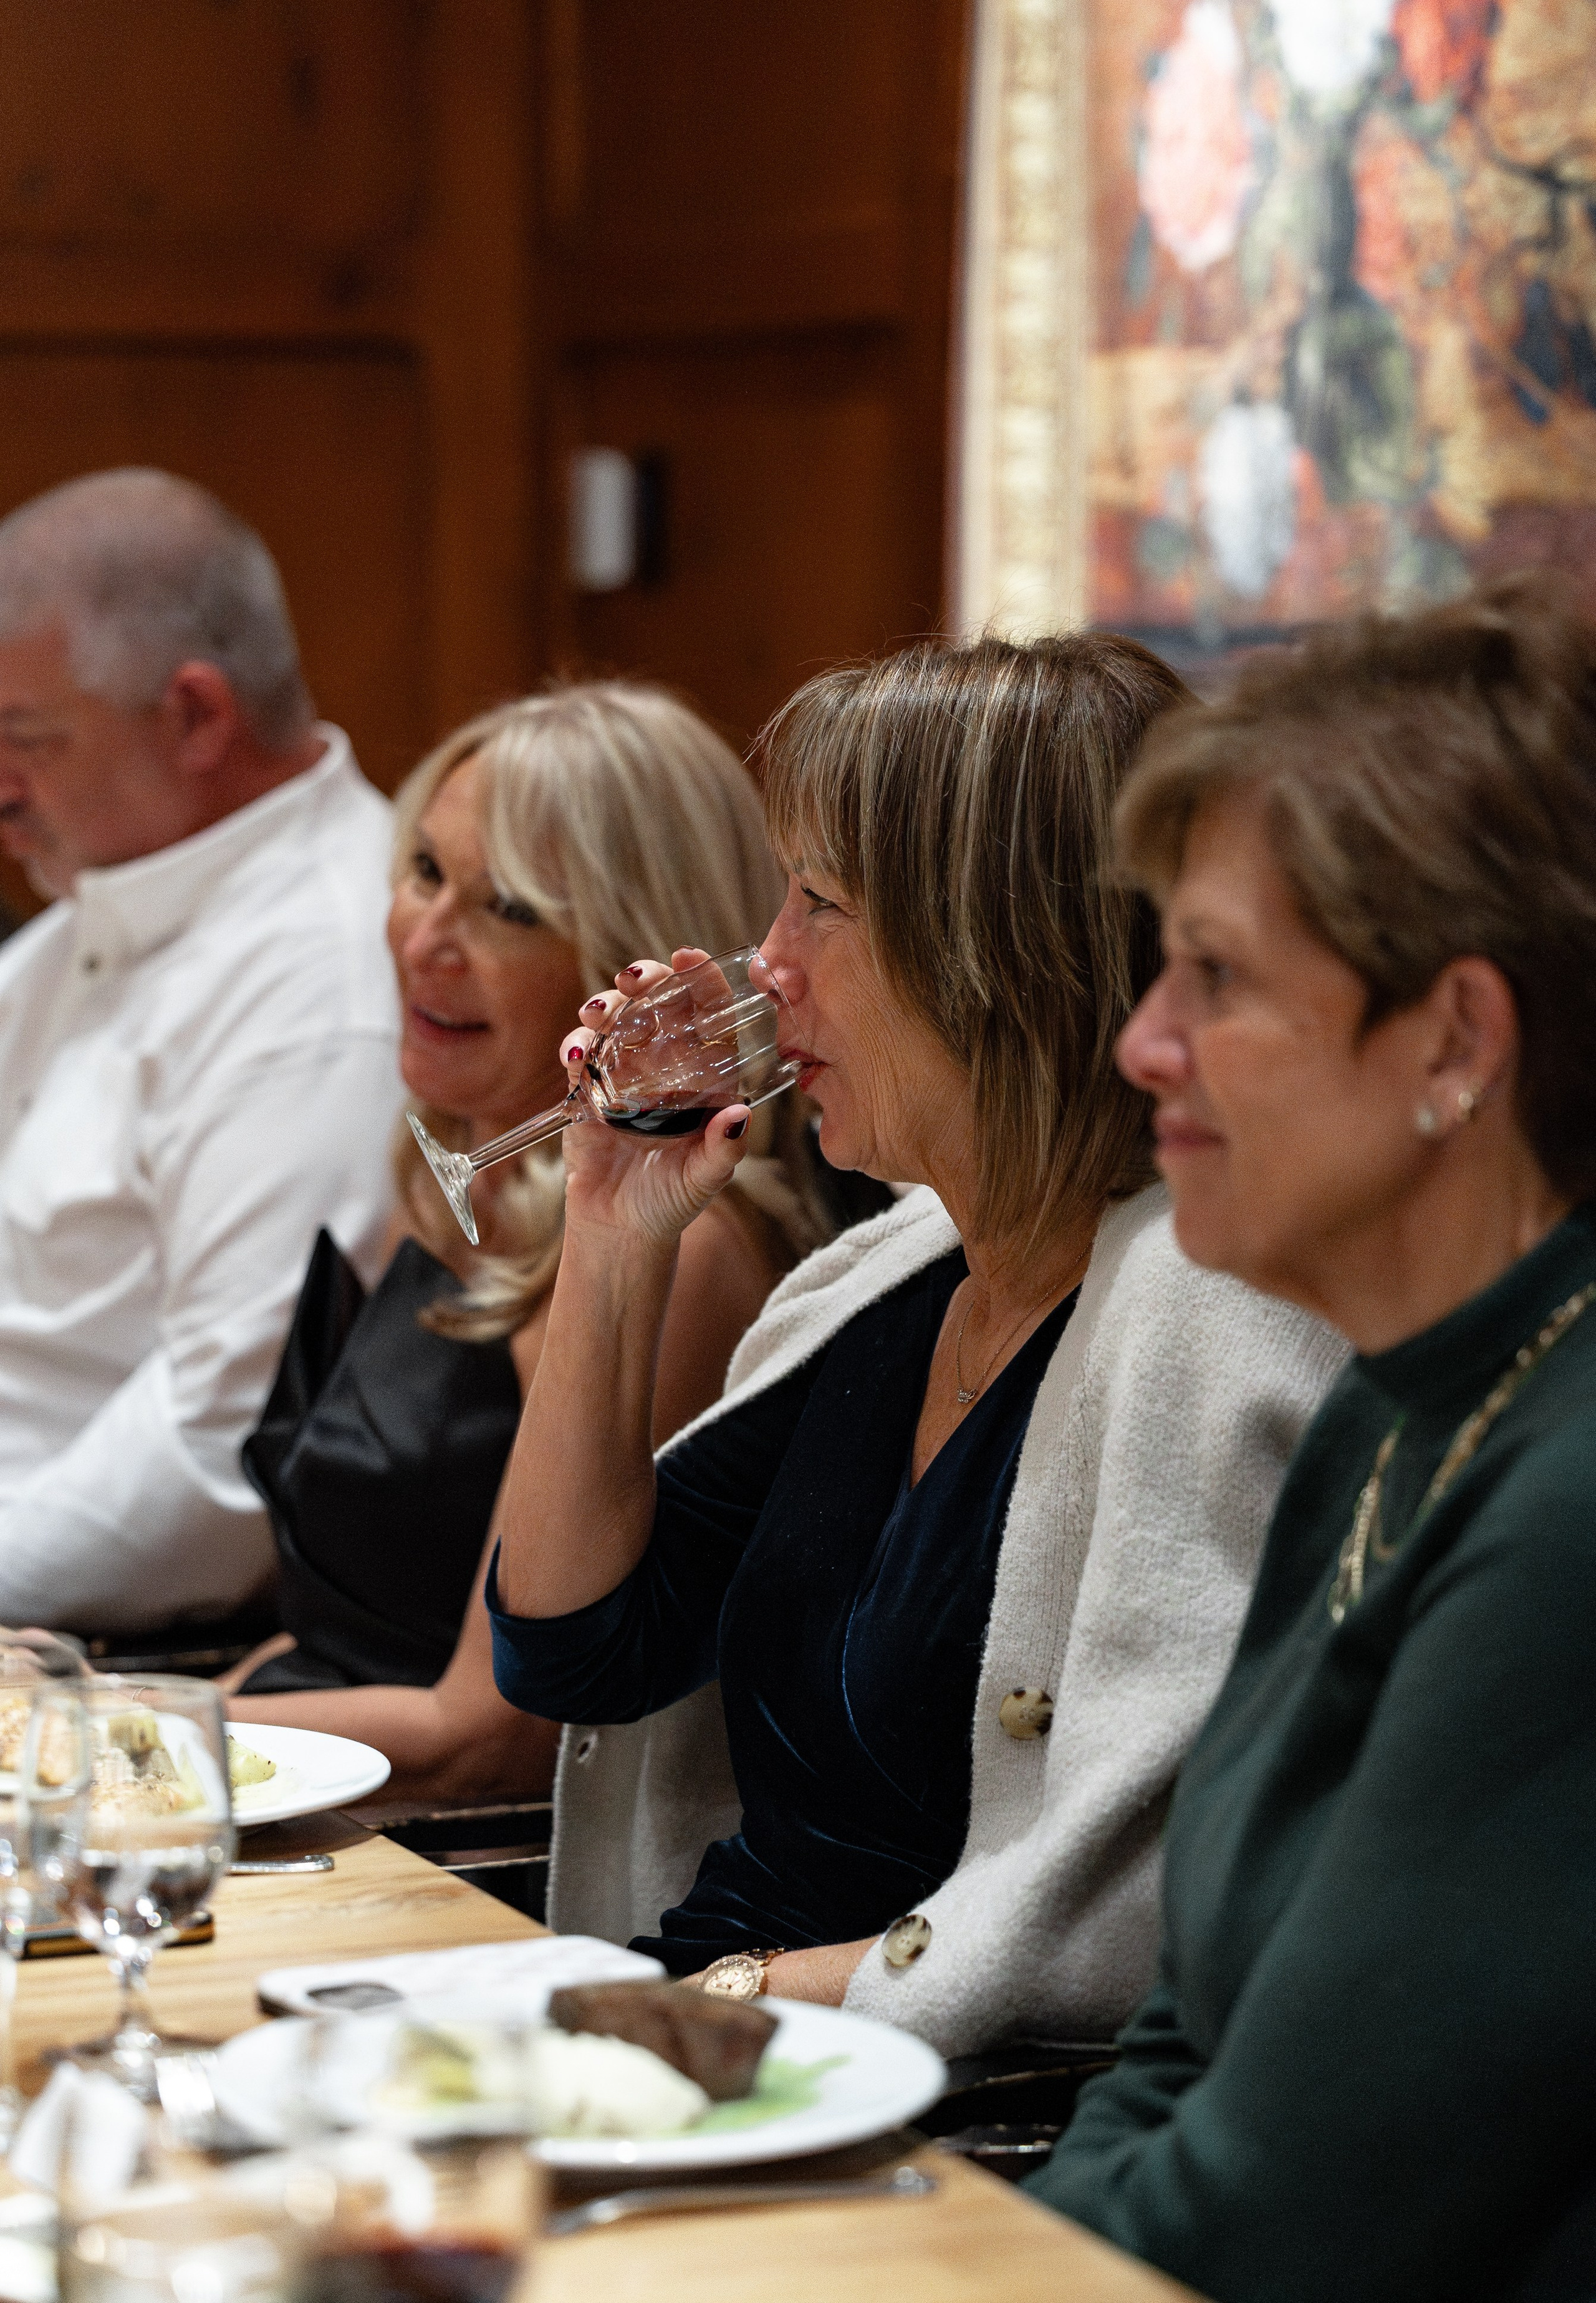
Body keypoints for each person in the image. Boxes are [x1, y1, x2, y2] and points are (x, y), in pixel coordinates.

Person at [487, 635, 1345, 2049]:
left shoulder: (1207, 1320)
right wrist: (612, 1235)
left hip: (933, 2102)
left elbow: (1115, 1922)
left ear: (996, 949)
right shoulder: (887, 1274)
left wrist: (707, 2003)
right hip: (708, 2035)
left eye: (818, 900)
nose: (764, 962)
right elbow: (577, 1651)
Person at [1029, 579, 1596, 2302]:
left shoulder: (1569, 1496)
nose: (1144, 1042)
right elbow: (1183, 2031)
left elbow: (1289, 2214)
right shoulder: (1390, 1399)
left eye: (1215, 977)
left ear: (1456, 1040)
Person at [224, 685, 832, 1803]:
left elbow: (498, 1733)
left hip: (465, 1861)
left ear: (626, 959)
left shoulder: (674, 1246)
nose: (427, 938)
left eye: (509, 910)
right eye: (424, 871)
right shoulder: (454, 1190)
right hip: (319, 1801)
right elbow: (343, 1628)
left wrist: (145, 1729)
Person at [0, 468, 398, 1636]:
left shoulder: (326, 969)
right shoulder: (84, 915)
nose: (2, 789)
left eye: (27, 738)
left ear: (197, 717)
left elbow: (218, 1443)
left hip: (106, 1652)